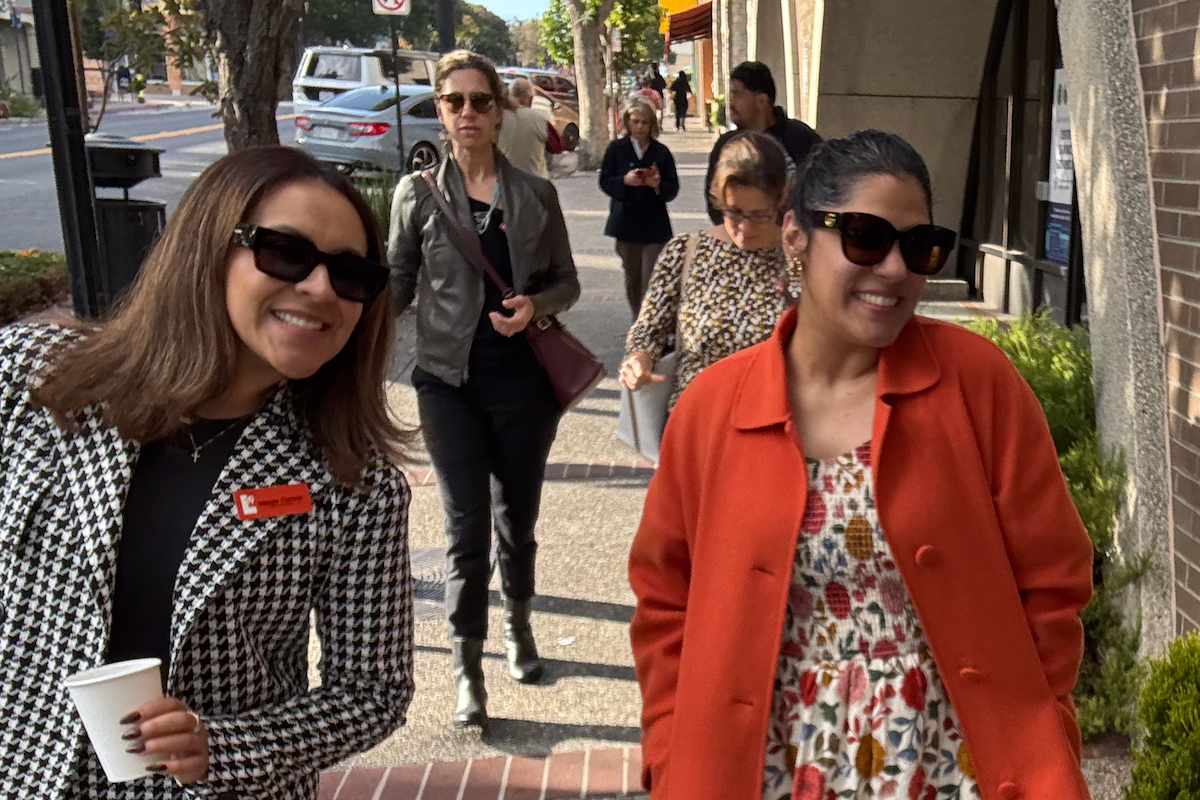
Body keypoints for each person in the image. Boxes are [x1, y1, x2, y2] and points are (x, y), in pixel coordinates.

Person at [629, 130, 1094, 800]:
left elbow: (1054, 578)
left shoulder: (976, 383)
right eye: (865, 238)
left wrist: (1035, 722)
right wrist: (672, 754)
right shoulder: (712, 408)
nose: (896, 268)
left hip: (946, 766)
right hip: (768, 767)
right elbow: (664, 597)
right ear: (795, 234)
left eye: (919, 247)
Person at [0, 146, 415, 800]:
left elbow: (373, 691)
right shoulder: (33, 379)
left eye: (351, 275)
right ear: (206, 248)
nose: (318, 288)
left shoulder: (350, 481)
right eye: (285, 252)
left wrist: (223, 747)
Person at [389, 50, 581, 729]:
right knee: (465, 528)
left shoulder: (534, 194)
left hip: (523, 385)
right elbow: (397, 282)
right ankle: (468, 671)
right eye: (453, 102)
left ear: (500, 111)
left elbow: (566, 280)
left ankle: (519, 630)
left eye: (479, 100)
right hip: (446, 383)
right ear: (440, 112)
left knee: (515, 523)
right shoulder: (415, 194)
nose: (467, 112)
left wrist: (538, 306)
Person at [620, 131, 794, 410]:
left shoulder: (800, 259)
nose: (744, 228)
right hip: (694, 422)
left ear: (781, 198)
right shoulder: (685, 252)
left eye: (758, 215)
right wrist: (639, 359)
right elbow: (649, 330)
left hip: (772, 423)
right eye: (734, 212)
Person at [705, 61, 822, 224]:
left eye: (737, 94)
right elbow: (714, 202)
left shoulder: (801, 138)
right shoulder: (727, 145)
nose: (731, 103)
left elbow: (823, 190)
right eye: (730, 94)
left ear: (762, 100)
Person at [600, 97, 680, 318]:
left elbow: (673, 187)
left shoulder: (661, 152)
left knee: (651, 277)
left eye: (644, 123)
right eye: (635, 122)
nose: (640, 127)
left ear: (651, 124)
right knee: (633, 277)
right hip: (626, 223)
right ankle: (638, 320)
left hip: (654, 224)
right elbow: (605, 181)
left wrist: (657, 185)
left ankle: (650, 322)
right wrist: (624, 181)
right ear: (627, 122)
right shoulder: (617, 149)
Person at [496, 77, 551, 178]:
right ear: (530, 98)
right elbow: (557, 146)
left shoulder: (497, 118)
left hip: (506, 180)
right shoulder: (538, 118)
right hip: (535, 178)